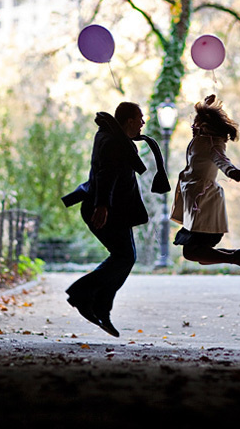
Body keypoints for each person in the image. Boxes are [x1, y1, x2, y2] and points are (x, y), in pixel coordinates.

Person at [60, 102, 169, 337]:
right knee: (124, 257)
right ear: (129, 121)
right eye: (140, 118)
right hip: (105, 210)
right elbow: (105, 174)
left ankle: (99, 305)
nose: (143, 123)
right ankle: (83, 295)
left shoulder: (113, 137)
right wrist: (102, 206)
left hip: (115, 210)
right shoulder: (113, 142)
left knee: (125, 257)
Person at [171, 95, 240, 277]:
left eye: (197, 122)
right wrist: (206, 105)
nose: (193, 126)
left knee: (193, 252)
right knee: (198, 254)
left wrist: (231, 171)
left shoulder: (212, 143)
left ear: (206, 126)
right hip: (195, 202)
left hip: (204, 203)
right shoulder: (200, 138)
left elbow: (221, 159)